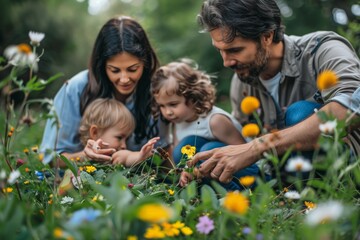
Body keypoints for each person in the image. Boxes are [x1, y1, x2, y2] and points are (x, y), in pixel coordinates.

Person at [188, 0, 360, 183]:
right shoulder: (241, 80)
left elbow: (352, 107)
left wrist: (259, 146)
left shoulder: (323, 49)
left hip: (345, 168)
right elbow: (242, 145)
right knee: (204, 152)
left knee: (299, 114)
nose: (227, 62)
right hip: (277, 176)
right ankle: (272, 199)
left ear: (267, 37)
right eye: (220, 51)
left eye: (235, 50)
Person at [40, 16, 170, 166]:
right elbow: (50, 158)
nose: (124, 79)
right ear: (102, 65)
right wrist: (85, 156)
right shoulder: (75, 89)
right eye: (114, 70)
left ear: (145, 63)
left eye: (133, 69)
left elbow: (163, 152)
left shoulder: (156, 91)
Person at [151, 59, 259, 189]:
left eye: (173, 104)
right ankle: (208, 194)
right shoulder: (177, 123)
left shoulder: (215, 120)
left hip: (250, 174)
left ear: (192, 97)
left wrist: (200, 168)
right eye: (162, 106)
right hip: (213, 176)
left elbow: (244, 153)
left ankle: (238, 194)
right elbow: (178, 159)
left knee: (209, 150)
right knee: (182, 150)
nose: (167, 112)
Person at [79, 98, 159, 167]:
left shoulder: (115, 156)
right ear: (95, 132)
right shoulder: (82, 158)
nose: (124, 145)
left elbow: (128, 157)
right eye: (119, 137)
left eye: (126, 139)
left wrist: (140, 155)